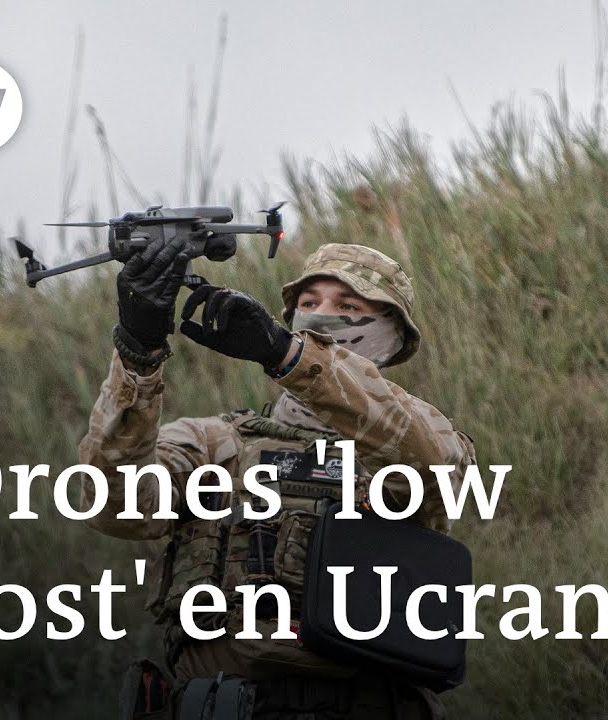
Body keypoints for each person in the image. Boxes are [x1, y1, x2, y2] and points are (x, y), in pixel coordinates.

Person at [77, 237, 475, 719]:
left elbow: (427, 469)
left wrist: (289, 357)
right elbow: (114, 508)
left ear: (394, 334)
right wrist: (137, 355)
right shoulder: (214, 445)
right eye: (309, 304)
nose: (322, 316)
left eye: (348, 305)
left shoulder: (425, 437)